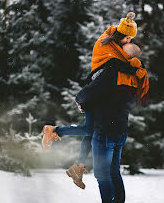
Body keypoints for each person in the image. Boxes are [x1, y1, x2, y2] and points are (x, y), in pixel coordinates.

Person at [42, 42, 142, 190]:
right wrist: (81, 99)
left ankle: (78, 167)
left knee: (92, 132)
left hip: (100, 102)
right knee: (90, 130)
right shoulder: (113, 61)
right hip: (94, 99)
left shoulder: (124, 66)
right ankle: (55, 131)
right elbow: (96, 83)